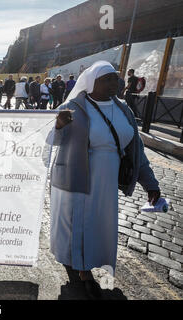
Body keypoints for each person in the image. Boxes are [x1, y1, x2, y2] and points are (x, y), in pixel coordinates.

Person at [49, 60, 160, 300]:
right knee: (78, 223)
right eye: (107, 79)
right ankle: (83, 272)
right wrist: (58, 125)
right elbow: (52, 140)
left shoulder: (123, 110)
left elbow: (136, 149)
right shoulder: (74, 106)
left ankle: (89, 261)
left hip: (107, 180)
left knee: (98, 223)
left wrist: (150, 182)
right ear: (92, 83)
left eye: (116, 79)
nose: (115, 83)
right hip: (76, 176)